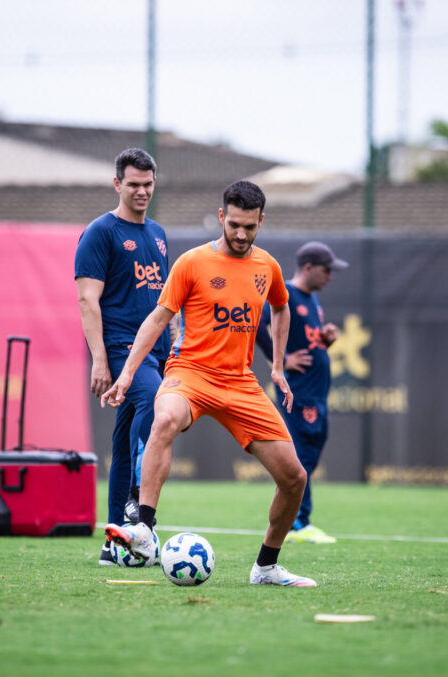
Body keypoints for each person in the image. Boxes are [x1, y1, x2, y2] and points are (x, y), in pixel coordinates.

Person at [101, 180, 316, 587]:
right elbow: (157, 319)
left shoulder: (266, 266)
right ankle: (144, 530)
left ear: (260, 222)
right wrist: (127, 372)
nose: (240, 234)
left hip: (240, 383)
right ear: (222, 217)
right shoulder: (191, 262)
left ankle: (266, 567)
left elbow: (282, 308)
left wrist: (278, 367)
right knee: (163, 418)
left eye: (249, 227)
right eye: (233, 224)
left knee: (295, 479)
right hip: (191, 373)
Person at [75, 148, 170, 566]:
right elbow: (87, 300)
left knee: (124, 440)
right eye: (133, 184)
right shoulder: (101, 232)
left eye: (148, 184)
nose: (142, 191)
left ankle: (114, 543)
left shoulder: (159, 235)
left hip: (157, 349)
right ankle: (136, 499)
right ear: (117, 184)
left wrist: (176, 341)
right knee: (154, 404)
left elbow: (167, 300)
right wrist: (99, 360)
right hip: (120, 347)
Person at [255, 241, 347, 544]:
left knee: (310, 453)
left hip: (316, 393)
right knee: (301, 457)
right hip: (300, 392)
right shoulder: (289, 294)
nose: (330, 276)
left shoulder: (312, 301)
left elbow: (308, 341)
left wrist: (324, 340)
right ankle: (297, 523)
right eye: (327, 269)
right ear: (308, 267)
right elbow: (258, 323)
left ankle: (297, 519)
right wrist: (279, 360)